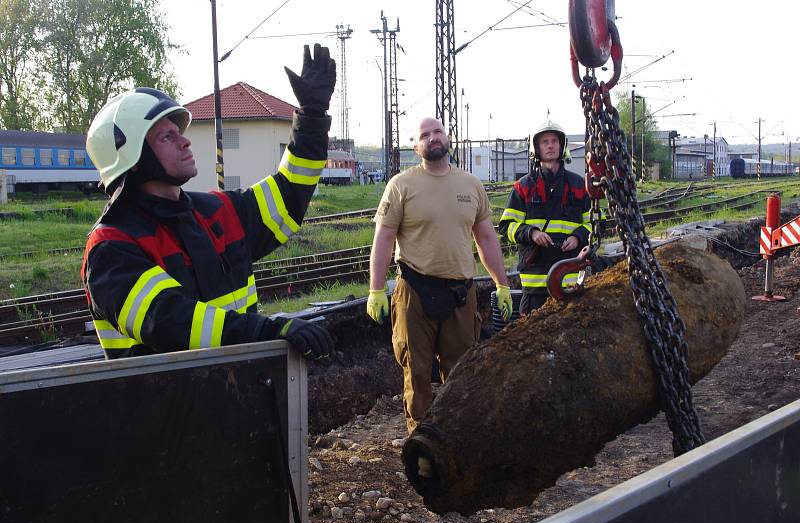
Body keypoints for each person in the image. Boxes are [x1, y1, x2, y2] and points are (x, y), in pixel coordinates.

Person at [82, 44, 336, 360]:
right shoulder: (112, 247)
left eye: (179, 132)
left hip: (237, 395)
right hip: (166, 408)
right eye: (166, 137)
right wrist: (264, 330)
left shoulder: (218, 212)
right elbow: (168, 321)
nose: (185, 140)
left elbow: (289, 194)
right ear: (133, 159)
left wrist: (312, 116)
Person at [366, 116, 513, 436]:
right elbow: (383, 239)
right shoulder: (401, 186)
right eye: (424, 135)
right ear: (415, 146)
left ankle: (456, 437)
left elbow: (486, 238)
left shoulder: (471, 185)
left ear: (447, 137)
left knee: (460, 369)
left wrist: (502, 283)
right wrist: (376, 288)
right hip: (414, 291)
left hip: (460, 292)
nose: (432, 138)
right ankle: (419, 440)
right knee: (416, 372)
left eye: (437, 132)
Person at [499, 119, 591, 315]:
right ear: (537, 149)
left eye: (554, 141)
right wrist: (531, 233)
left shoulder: (578, 186)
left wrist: (577, 237)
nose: (550, 145)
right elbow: (507, 226)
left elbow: (593, 223)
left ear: (562, 146)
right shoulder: (523, 187)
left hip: (568, 281)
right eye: (545, 142)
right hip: (534, 285)